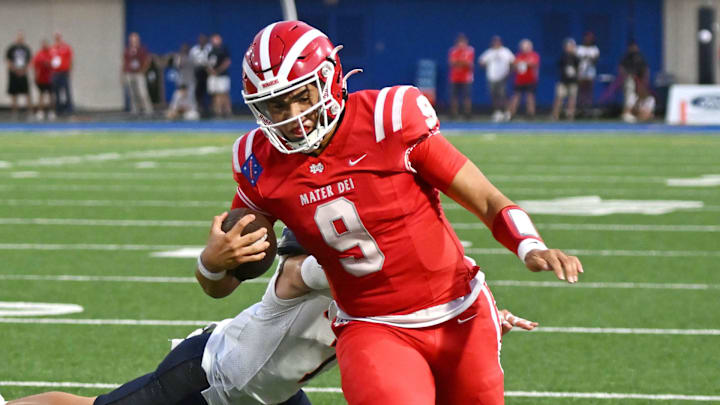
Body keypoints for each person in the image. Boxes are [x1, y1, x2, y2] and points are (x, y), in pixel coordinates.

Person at [200, 20, 583, 405]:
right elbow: (224, 283)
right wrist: (212, 264)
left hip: (459, 311)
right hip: (372, 326)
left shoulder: (388, 121)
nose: (293, 116)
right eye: (277, 105)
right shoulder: (262, 163)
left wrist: (530, 246)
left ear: (329, 80)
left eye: (302, 96)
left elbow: (486, 200)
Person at [1, 227, 537, 405]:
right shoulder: (300, 275)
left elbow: (406, 307)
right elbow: (383, 275)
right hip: (206, 377)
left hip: (271, 397)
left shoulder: (367, 297)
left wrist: (476, 309)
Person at [478, 35, 514, 122]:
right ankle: (497, 112)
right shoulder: (489, 52)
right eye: (494, 42)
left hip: (503, 77)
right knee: (494, 96)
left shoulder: (505, 51)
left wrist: (509, 72)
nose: (496, 44)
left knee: (503, 95)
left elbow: (513, 61)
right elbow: (481, 61)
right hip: (492, 77)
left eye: (497, 42)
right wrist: (487, 67)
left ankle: (507, 112)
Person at [508, 39, 540, 120]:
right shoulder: (518, 55)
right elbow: (514, 65)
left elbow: (533, 64)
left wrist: (523, 62)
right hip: (519, 80)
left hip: (530, 80)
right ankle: (511, 114)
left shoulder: (534, 55)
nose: (525, 48)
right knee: (516, 97)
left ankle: (530, 114)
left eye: (526, 46)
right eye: (523, 46)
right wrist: (518, 63)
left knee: (530, 97)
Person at [122, 32, 154, 116]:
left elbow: (148, 60)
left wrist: (143, 70)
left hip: (139, 73)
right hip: (129, 73)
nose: (134, 41)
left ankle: (148, 110)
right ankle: (135, 110)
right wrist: (123, 72)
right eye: (132, 40)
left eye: (135, 40)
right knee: (132, 93)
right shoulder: (127, 49)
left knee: (143, 92)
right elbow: (125, 62)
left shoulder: (142, 49)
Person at [166, 43, 199, 120]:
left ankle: (182, 116)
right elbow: (178, 66)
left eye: (186, 49)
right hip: (181, 81)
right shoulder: (178, 57)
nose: (184, 50)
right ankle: (178, 116)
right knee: (172, 110)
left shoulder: (192, 58)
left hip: (190, 82)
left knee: (193, 114)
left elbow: (195, 66)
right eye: (183, 49)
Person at [5, 31, 33, 119]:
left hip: (23, 73)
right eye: (19, 38)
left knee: (27, 92)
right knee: (14, 93)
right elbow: (8, 60)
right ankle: (14, 112)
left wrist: (23, 71)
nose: (20, 40)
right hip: (13, 73)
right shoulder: (11, 48)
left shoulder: (26, 49)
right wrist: (14, 70)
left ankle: (29, 112)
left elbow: (29, 61)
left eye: (21, 38)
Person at [619, 41, 649, 123]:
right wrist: (626, 76)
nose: (634, 48)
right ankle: (626, 113)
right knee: (629, 95)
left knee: (639, 96)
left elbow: (645, 68)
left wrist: (644, 79)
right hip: (630, 78)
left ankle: (636, 113)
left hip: (639, 79)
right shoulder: (627, 57)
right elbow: (621, 67)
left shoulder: (640, 56)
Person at [551, 38, 580, 120]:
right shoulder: (562, 56)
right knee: (559, 98)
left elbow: (579, 68)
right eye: (568, 46)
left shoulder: (576, 57)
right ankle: (555, 115)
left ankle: (570, 116)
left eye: (571, 46)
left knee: (572, 99)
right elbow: (558, 66)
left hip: (573, 81)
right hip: (563, 81)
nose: (569, 48)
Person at [447, 33, 475, 119]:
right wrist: (461, 62)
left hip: (466, 78)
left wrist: (459, 62)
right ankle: (454, 114)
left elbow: (469, 64)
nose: (461, 44)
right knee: (453, 96)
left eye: (463, 42)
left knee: (467, 96)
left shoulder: (470, 50)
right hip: (454, 77)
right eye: (460, 42)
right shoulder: (453, 51)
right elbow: (451, 63)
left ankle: (467, 113)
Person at [207, 33, 232, 118]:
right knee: (216, 94)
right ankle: (218, 111)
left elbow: (227, 62)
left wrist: (218, 70)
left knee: (224, 94)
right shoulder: (210, 51)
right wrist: (212, 71)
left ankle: (227, 111)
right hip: (214, 76)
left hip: (222, 76)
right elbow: (208, 64)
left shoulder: (223, 50)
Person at [49, 33, 73, 116]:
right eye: (56, 37)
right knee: (57, 92)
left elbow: (70, 60)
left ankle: (69, 109)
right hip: (56, 73)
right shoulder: (52, 49)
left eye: (58, 37)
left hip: (64, 72)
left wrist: (69, 71)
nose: (57, 39)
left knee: (66, 91)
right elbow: (51, 60)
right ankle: (58, 109)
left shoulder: (66, 48)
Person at [576, 31, 600, 115]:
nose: (588, 40)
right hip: (581, 71)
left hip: (590, 72)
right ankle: (579, 107)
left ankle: (588, 107)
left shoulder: (595, 49)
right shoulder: (579, 48)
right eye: (587, 38)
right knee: (580, 90)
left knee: (589, 90)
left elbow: (596, 60)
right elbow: (576, 60)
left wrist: (590, 58)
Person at [190, 34, 212, 117]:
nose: (202, 41)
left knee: (209, 92)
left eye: (204, 39)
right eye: (200, 39)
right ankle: (199, 109)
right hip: (198, 72)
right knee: (198, 92)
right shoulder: (194, 50)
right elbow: (191, 61)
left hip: (208, 72)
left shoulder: (209, 48)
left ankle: (209, 110)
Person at [32, 39, 54, 121]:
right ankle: (40, 111)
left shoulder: (51, 53)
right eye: (43, 44)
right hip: (41, 78)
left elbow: (55, 64)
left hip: (50, 78)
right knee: (41, 95)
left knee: (51, 95)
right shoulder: (39, 54)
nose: (44, 45)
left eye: (46, 44)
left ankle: (51, 111)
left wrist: (49, 64)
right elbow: (35, 66)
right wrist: (35, 76)